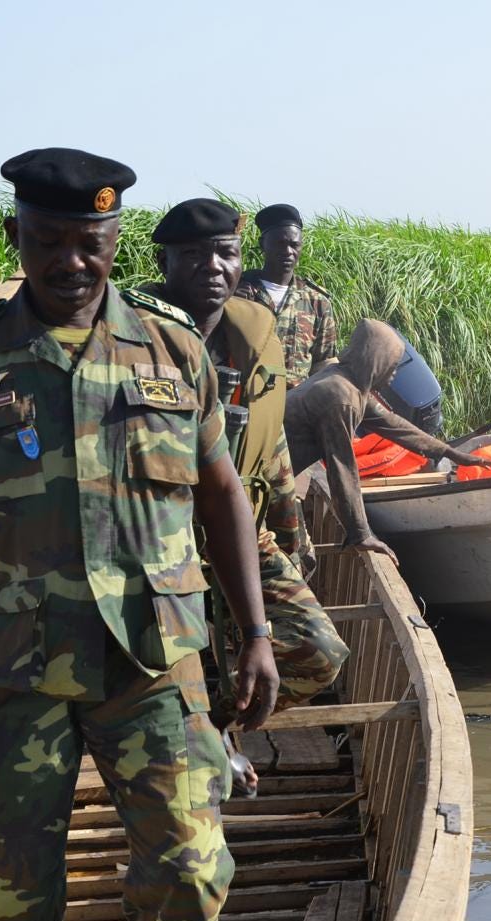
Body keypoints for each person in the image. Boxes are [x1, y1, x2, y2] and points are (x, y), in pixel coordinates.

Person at [0, 148, 279, 921]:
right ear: (16, 236)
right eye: (47, 241)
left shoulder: (175, 351)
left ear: (114, 237)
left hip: (151, 662)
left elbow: (222, 500)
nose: (69, 261)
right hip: (10, 674)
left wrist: (254, 634)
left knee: (191, 876)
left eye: (88, 242)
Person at [145, 198, 348, 733]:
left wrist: (291, 538)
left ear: (239, 259)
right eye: (191, 255)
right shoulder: (133, 338)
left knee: (318, 650)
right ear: (164, 263)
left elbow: (271, 446)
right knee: (159, 665)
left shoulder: (254, 335)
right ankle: (177, 733)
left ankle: (210, 729)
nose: (211, 267)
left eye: (223, 254)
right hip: (156, 538)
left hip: (243, 530)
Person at [285, 319, 491, 564]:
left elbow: (394, 425)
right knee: (299, 561)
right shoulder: (341, 398)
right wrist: (361, 533)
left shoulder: (345, 381)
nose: (395, 373)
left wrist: (450, 452)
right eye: (392, 365)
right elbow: (342, 468)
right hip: (266, 475)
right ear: (375, 361)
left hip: (277, 472)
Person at [237, 203, 336, 388]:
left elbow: (324, 364)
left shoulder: (317, 302)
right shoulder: (238, 291)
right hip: (244, 399)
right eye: (280, 244)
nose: (288, 251)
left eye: (294, 245)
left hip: (295, 406)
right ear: (262, 244)